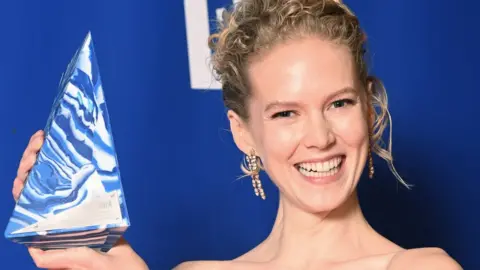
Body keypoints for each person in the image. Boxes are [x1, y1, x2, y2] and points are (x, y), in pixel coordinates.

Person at [11, 0, 463, 269]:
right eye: (286, 113)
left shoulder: (420, 266)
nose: (320, 137)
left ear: (369, 107)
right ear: (243, 132)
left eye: (338, 104)